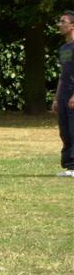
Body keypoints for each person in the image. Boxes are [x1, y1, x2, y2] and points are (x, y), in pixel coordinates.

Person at [52, 10, 74, 177]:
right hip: (64, 94)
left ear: (72, 26)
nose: (59, 25)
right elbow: (63, 74)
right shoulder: (63, 48)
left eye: (63, 21)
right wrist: (56, 97)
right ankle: (69, 166)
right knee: (64, 131)